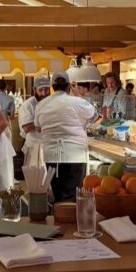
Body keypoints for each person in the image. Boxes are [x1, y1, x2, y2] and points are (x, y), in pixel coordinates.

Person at [35, 72, 100, 202]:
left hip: (51, 155)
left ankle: (59, 214)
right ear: (69, 86)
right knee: (73, 198)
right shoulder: (77, 102)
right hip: (74, 154)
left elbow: (38, 128)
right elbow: (95, 117)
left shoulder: (40, 105)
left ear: (53, 87)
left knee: (58, 196)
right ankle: (69, 215)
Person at [18, 74, 51, 167]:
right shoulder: (28, 105)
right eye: (40, 90)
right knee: (36, 174)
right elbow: (26, 127)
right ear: (34, 90)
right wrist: (43, 124)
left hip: (48, 146)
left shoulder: (51, 102)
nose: (44, 93)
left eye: (46, 89)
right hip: (34, 147)